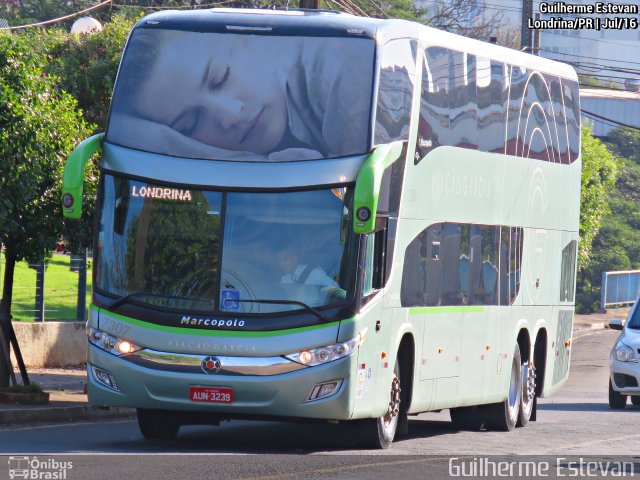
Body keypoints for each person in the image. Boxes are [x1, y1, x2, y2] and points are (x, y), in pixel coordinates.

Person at [107, 27, 373, 161]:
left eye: (221, 78)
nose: (230, 115)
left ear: (245, 41)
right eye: (191, 125)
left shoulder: (344, 69)